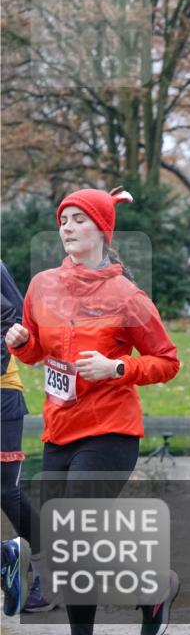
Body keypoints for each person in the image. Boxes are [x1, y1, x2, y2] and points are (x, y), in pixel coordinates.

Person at [4, 187, 181, 635]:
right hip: (59, 428)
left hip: (110, 429)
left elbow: (167, 360)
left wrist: (117, 367)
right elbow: (38, 354)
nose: (67, 227)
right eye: (64, 220)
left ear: (102, 229)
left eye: (80, 219)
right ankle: (148, 593)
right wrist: (23, 343)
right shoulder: (42, 285)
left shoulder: (127, 296)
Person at [0, 261, 49, 616]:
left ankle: (46, 577)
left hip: (2, 394)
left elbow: (17, 318)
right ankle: (9, 558)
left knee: (5, 490)